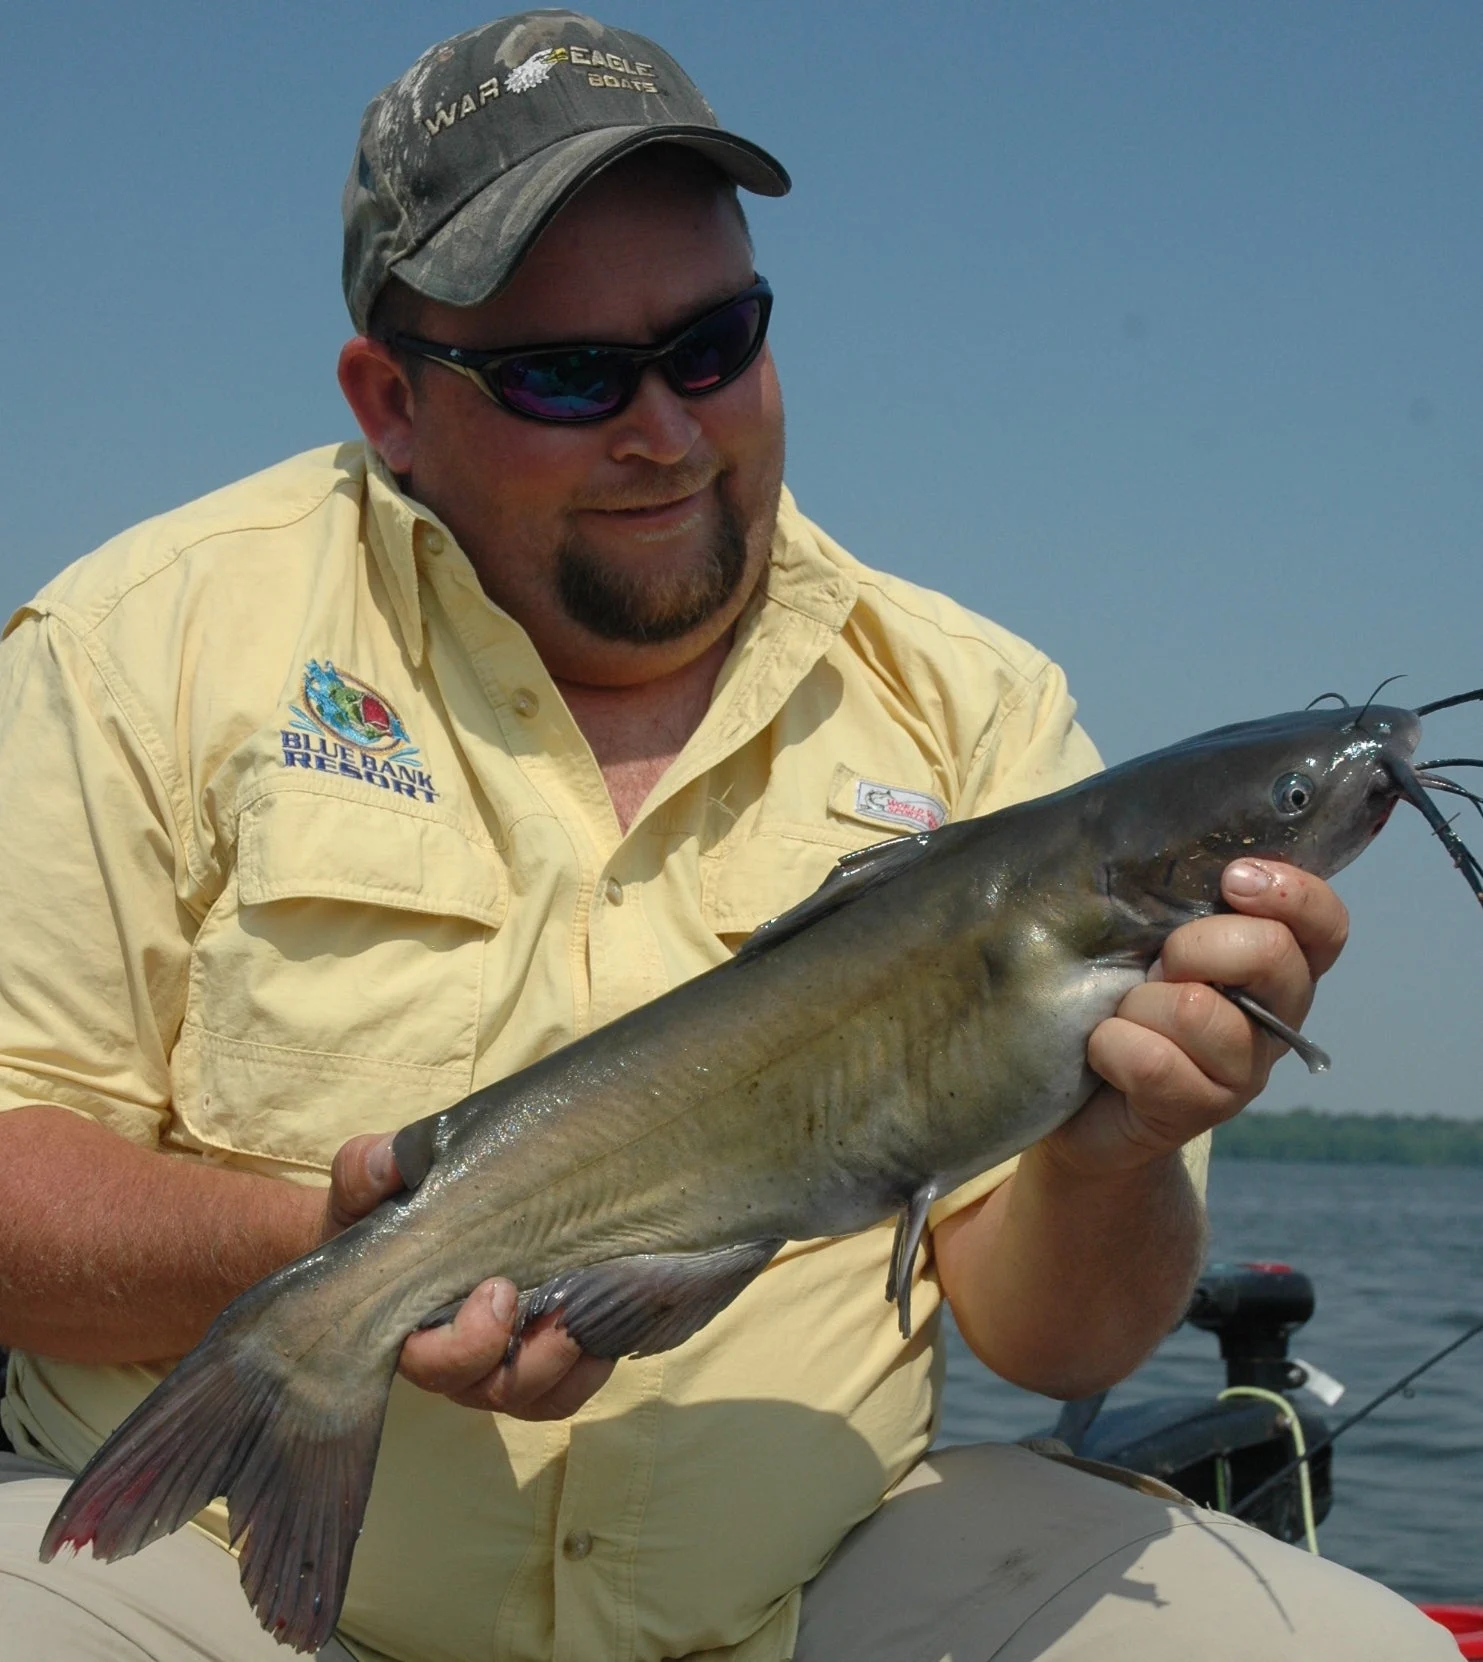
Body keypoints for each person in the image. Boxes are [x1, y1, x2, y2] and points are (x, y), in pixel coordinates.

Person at [0, 11, 1454, 1661]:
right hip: (209, 1582)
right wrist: (343, 1269)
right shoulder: (145, 644)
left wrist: (1108, 1151)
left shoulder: (977, 705)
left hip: (803, 1600)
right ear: (388, 402)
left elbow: (1060, 1341)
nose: (667, 431)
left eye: (711, 343)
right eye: (566, 376)